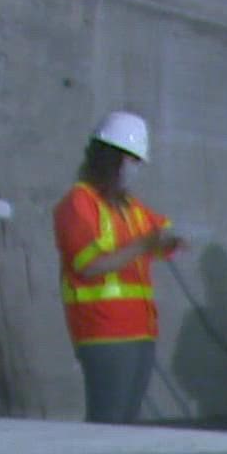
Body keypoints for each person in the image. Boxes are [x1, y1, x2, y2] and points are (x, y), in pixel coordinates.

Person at [53, 112, 184, 423]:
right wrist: (144, 246)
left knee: (126, 424)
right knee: (108, 422)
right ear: (111, 159)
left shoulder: (128, 207)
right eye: (132, 160)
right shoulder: (78, 203)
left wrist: (168, 242)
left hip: (140, 330)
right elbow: (89, 265)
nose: (135, 169)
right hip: (102, 331)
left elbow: (159, 233)